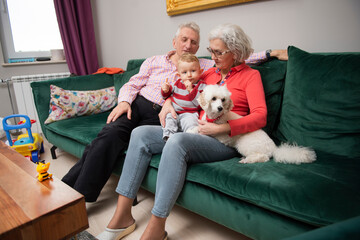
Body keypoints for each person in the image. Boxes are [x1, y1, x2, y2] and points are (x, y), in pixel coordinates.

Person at [61, 21, 288, 203]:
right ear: (175, 41)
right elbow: (145, 84)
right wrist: (143, 101)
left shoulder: (220, 70)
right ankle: (80, 198)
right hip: (147, 108)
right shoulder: (175, 66)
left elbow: (239, 63)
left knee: (156, 139)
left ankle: (76, 198)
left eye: (195, 43)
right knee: (111, 135)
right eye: (184, 40)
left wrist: (271, 53)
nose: (189, 46)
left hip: (195, 126)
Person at [97, 23, 269, 240]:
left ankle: (156, 228)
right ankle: (122, 217)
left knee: (177, 142)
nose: (212, 56)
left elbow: (261, 116)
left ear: (235, 52)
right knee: (140, 134)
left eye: (218, 52)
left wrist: (224, 127)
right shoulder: (209, 73)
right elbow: (183, 89)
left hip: (226, 140)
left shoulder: (250, 76)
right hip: (197, 130)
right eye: (212, 50)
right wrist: (168, 102)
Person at [161, 53, 206, 141]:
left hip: (190, 113)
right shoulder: (178, 83)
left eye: (193, 71)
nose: (189, 75)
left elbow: (200, 103)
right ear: (179, 75)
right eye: (184, 72)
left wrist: (191, 90)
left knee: (191, 123)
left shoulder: (201, 86)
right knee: (169, 118)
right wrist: (165, 90)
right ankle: (169, 137)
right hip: (175, 111)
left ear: (200, 72)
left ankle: (189, 139)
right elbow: (166, 96)